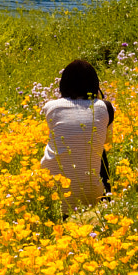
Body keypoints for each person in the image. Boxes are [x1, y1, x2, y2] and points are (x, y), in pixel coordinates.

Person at [40, 58, 114, 207]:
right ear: (95, 85)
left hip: (52, 195)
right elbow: (106, 141)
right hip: (92, 196)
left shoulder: (51, 107)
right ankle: (105, 201)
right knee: (99, 151)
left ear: (63, 85)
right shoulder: (104, 107)